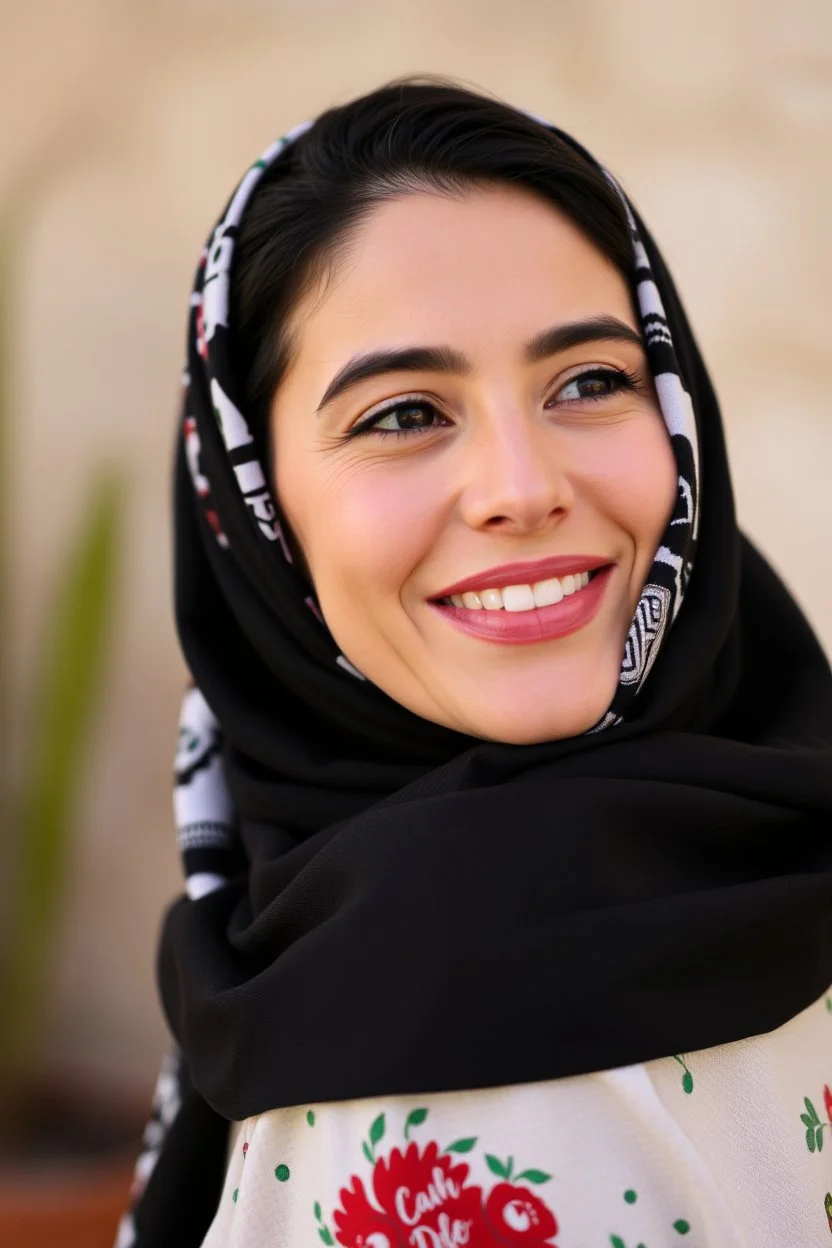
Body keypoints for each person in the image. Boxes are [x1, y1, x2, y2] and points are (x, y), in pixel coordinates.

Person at [117, 81, 832, 1248]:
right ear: (255, 508)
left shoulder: (407, 1003)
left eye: (590, 382)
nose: (521, 486)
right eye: (405, 414)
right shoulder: (791, 793)